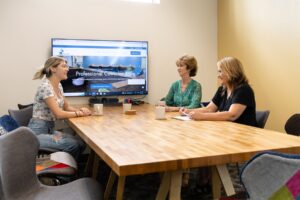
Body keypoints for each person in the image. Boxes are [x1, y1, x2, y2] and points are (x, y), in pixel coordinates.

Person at [28, 56, 91, 161]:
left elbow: (66, 107)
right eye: (64, 66)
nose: (67, 69)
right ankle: (64, 176)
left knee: (80, 143)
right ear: (53, 69)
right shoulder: (45, 87)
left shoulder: (59, 86)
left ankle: (69, 169)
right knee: (73, 145)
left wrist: (80, 110)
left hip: (50, 129)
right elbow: (59, 114)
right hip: (37, 132)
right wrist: (80, 114)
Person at [180, 56, 257, 127]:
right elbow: (209, 109)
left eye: (220, 71)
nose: (218, 75)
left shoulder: (244, 90)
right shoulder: (222, 89)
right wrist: (188, 111)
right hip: (228, 130)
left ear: (231, 72)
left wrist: (201, 116)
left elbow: (232, 115)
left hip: (244, 134)